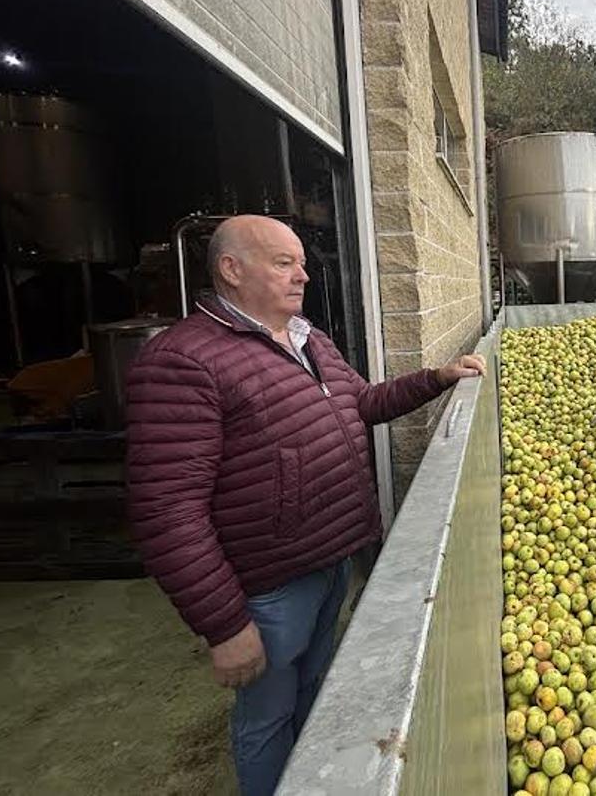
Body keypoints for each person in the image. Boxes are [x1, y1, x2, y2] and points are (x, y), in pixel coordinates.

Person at [125, 215, 484, 796]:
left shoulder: (306, 338)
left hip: (330, 560)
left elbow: (362, 402)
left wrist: (438, 376)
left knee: (316, 689)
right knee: (266, 719)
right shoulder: (184, 361)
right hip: (269, 589)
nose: (304, 275)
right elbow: (167, 511)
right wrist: (224, 625)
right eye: (283, 263)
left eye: (302, 263)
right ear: (232, 270)